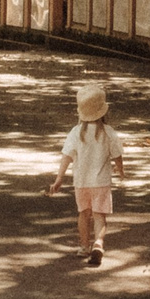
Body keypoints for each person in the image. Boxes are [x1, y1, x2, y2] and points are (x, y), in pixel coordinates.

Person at [45, 80, 125, 266]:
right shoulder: (108, 132)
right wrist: (120, 170)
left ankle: (84, 246)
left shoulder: (75, 132)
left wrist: (59, 178)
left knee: (83, 214)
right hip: (101, 183)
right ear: (103, 111)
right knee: (99, 216)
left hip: (81, 183)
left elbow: (66, 156)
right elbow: (117, 155)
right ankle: (98, 243)